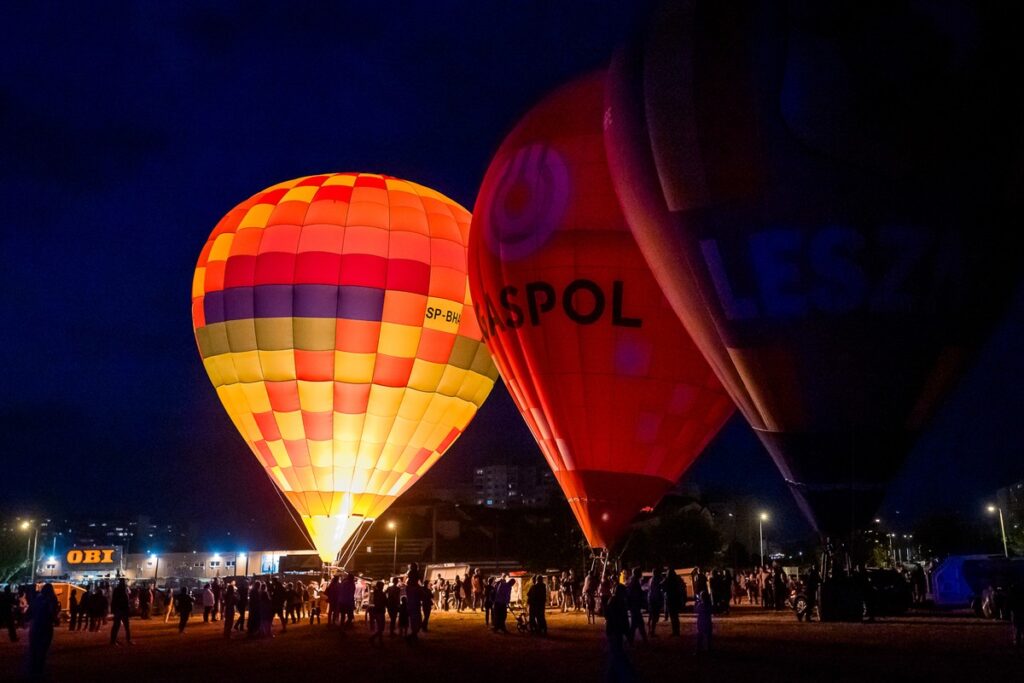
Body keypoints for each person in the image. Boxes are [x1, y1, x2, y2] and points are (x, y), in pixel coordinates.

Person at [27, 583, 59, 680]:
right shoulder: (52, 600)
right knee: (43, 649)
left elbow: (29, 613)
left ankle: (33, 669)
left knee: (34, 649)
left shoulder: (37, 600)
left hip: (35, 626)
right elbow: (53, 614)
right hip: (46, 627)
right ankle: (39, 670)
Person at [626, 567, 647, 644]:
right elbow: (635, 594)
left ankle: (631, 640)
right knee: (638, 624)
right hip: (634, 605)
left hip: (634, 605)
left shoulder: (632, 581)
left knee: (635, 624)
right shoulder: (634, 582)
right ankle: (643, 640)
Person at [110, 578, 132, 645]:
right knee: (119, 625)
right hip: (120, 609)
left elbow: (115, 600)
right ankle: (114, 641)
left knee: (122, 626)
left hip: (121, 610)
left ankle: (115, 640)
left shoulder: (123, 589)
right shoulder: (120, 590)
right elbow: (115, 600)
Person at [663, 568, 683, 637]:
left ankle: (675, 632)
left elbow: (662, 586)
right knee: (675, 616)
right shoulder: (676, 580)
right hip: (675, 599)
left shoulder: (667, 580)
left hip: (670, 599)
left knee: (672, 616)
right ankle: (677, 631)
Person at [647, 568, 664, 636]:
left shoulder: (651, 579)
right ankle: (652, 632)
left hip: (651, 599)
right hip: (655, 599)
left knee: (651, 615)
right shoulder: (656, 580)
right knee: (654, 616)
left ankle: (650, 630)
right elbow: (658, 590)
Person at [369, 580, 386, 645]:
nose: (383, 587)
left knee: (380, 627)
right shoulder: (381, 594)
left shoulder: (376, 593)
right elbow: (384, 602)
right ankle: (377, 639)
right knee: (381, 627)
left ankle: (377, 639)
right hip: (380, 611)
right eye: (382, 586)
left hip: (377, 611)